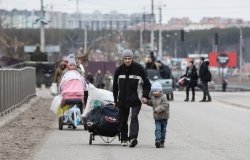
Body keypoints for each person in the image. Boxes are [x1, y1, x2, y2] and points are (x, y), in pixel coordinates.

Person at [113, 49, 151, 147]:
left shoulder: (139, 69)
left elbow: (147, 84)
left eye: (129, 58)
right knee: (123, 120)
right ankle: (124, 139)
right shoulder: (119, 70)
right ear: (123, 59)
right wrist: (115, 100)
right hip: (122, 99)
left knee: (134, 117)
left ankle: (133, 138)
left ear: (132, 58)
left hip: (136, 99)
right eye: (125, 58)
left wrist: (145, 96)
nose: (127, 60)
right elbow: (115, 87)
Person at [147, 82, 169, 148]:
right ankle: (157, 140)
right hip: (157, 117)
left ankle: (162, 140)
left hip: (164, 117)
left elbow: (165, 105)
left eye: (155, 91)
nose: (154, 92)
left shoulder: (164, 97)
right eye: (153, 91)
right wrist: (147, 102)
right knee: (158, 129)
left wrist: (157, 109)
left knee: (163, 130)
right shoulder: (153, 97)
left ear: (160, 90)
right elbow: (152, 103)